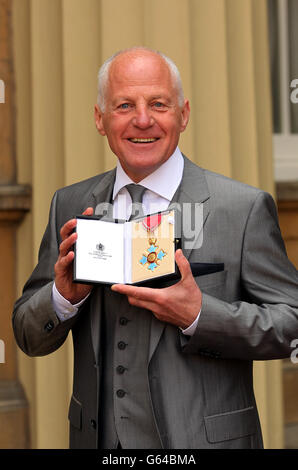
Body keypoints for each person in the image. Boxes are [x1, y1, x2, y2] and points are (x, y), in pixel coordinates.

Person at [13, 46, 298, 449]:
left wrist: (200, 315)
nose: (142, 120)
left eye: (158, 104)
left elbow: (293, 322)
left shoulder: (242, 208)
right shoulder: (71, 204)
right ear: (100, 118)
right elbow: (27, 334)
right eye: (124, 104)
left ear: (183, 114)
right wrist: (63, 297)